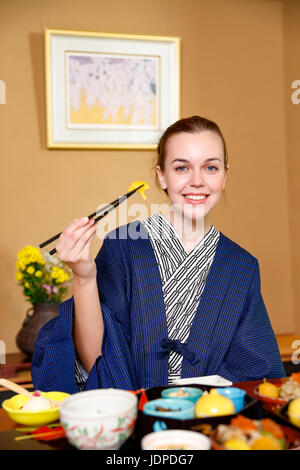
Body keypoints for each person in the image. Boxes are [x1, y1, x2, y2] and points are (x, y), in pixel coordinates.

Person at [31, 116, 286, 394]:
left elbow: (253, 370)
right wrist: (84, 276)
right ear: (162, 175)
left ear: (225, 176)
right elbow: (97, 364)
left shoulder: (240, 266)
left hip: (204, 422)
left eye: (210, 167)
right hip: (131, 421)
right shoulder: (123, 247)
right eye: (182, 168)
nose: (197, 181)